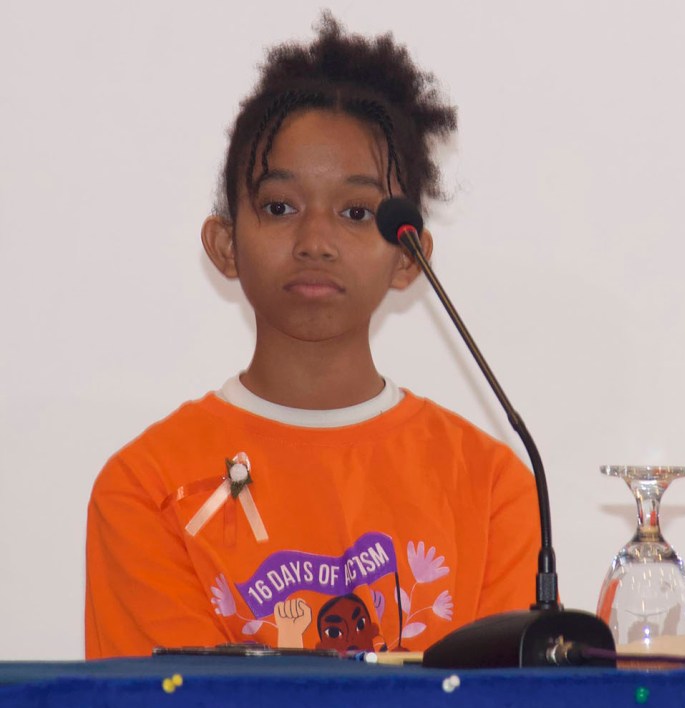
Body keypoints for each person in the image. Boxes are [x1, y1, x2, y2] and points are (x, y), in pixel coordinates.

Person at [84, 15, 540, 658]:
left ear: (409, 257)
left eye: (356, 212)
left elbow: (503, 699)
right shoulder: (145, 489)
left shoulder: (492, 489)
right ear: (225, 245)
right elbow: (178, 700)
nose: (316, 242)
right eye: (280, 207)